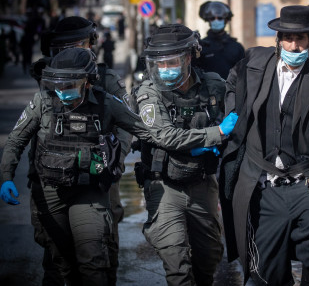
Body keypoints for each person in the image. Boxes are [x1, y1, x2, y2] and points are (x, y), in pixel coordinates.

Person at [0, 47, 237, 285]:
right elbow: (16, 139)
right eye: (59, 85)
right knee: (58, 262)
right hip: (50, 191)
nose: (63, 91)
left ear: (88, 81)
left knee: (93, 262)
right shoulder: (43, 102)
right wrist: (6, 176)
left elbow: (153, 133)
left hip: (88, 193)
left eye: (71, 84)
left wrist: (195, 143)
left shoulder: (107, 104)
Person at [219, 5, 309, 285]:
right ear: (279, 40)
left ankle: (308, 281)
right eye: (288, 38)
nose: (294, 46)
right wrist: (234, 110)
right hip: (265, 179)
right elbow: (233, 81)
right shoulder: (256, 62)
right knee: (268, 265)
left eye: (301, 39)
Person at [29, 16, 132, 285]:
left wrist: (114, 160)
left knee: (99, 253)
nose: (72, 52)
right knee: (55, 257)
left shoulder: (106, 78)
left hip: (97, 176)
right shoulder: (46, 76)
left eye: (79, 45)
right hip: (51, 175)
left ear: (91, 44)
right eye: (64, 48)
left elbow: (126, 126)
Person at [133, 24, 235, 285]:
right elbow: (164, 136)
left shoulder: (213, 85)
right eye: (160, 64)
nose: (166, 70)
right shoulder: (149, 92)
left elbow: (238, 116)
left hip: (203, 183)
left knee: (209, 257)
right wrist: (216, 134)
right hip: (164, 185)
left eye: (172, 62)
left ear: (189, 57)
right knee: (176, 262)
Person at [193, 1, 245, 79]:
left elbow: (243, 75)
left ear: (226, 20)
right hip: (208, 90)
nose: (216, 21)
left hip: (231, 90)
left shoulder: (237, 47)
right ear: (208, 20)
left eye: (220, 18)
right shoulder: (200, 46)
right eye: (212, 18)